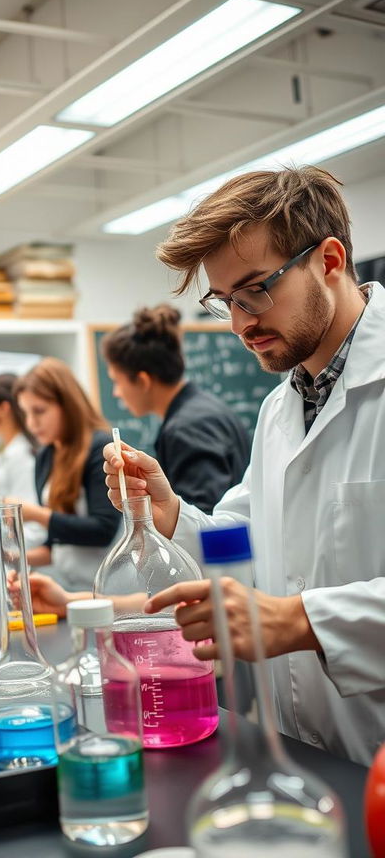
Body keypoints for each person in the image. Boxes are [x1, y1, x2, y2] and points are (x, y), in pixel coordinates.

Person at [103, 165, 385, 766]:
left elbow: (290, 610)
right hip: (302, 754)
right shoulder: (279, 409)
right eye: (226, 300)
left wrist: (300, 620)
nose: (240, 324)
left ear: (329, 260)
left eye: (257, 289)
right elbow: (245, 544)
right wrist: (170, 513)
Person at [102, 304, 250, 512]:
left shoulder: (187, 428)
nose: (116, 393)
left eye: (117, 382)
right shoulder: (203, 409)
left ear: (143, 381)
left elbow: (203, 516)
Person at [13, 357, 121, 590]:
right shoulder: (45, 456)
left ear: (67, 405)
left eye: (39, 411)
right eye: (25, 414)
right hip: (69, 589)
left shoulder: (101, 447)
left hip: (110, 590)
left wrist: (35, 514)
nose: (31, 424)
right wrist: (11, 559)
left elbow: (103, 531)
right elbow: (57, 544)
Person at [0, 373, 45, 548]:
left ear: (3, 409)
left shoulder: (21, 455)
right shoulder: (6, 453)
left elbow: (34, 530)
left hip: (26, 558)